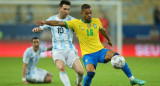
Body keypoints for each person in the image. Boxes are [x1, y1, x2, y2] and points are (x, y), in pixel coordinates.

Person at [33, 4, 146, 86]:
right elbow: (58, 23)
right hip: (88, 55)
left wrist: (108, 39)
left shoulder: (96, 21)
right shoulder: (75, 23)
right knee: (90, 73)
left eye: (90, 13)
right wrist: (45, 22)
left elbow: (102, 30)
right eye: (86, 13)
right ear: (82, 14)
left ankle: (132, 79)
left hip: (101, 50)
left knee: (118, 57)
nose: (89, 15)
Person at [32, 1, 84, 86]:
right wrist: (37, 30)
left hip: (70, 49)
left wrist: (78, 33)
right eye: (64, 9)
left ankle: (78, 82)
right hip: (57, 49)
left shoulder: (73, 20)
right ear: (59, 9)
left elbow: (79, 30)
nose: (66, 11)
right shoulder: (51, 19)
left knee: (80, 72)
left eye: (68, 9)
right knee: (61, 67)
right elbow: (41, 28)